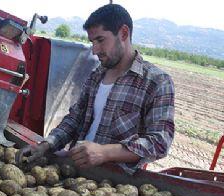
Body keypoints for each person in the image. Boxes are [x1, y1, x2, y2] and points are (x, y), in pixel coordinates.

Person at [23, 4, 175, 173]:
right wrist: (46, 145)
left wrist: (105, 153)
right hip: (75, 171)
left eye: (101, 40)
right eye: (92, 42)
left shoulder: (157, 82)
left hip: (113, 185)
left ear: (123, 33)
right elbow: (75, 118)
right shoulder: (97, 75)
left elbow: (160, 142)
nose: (95, 50)